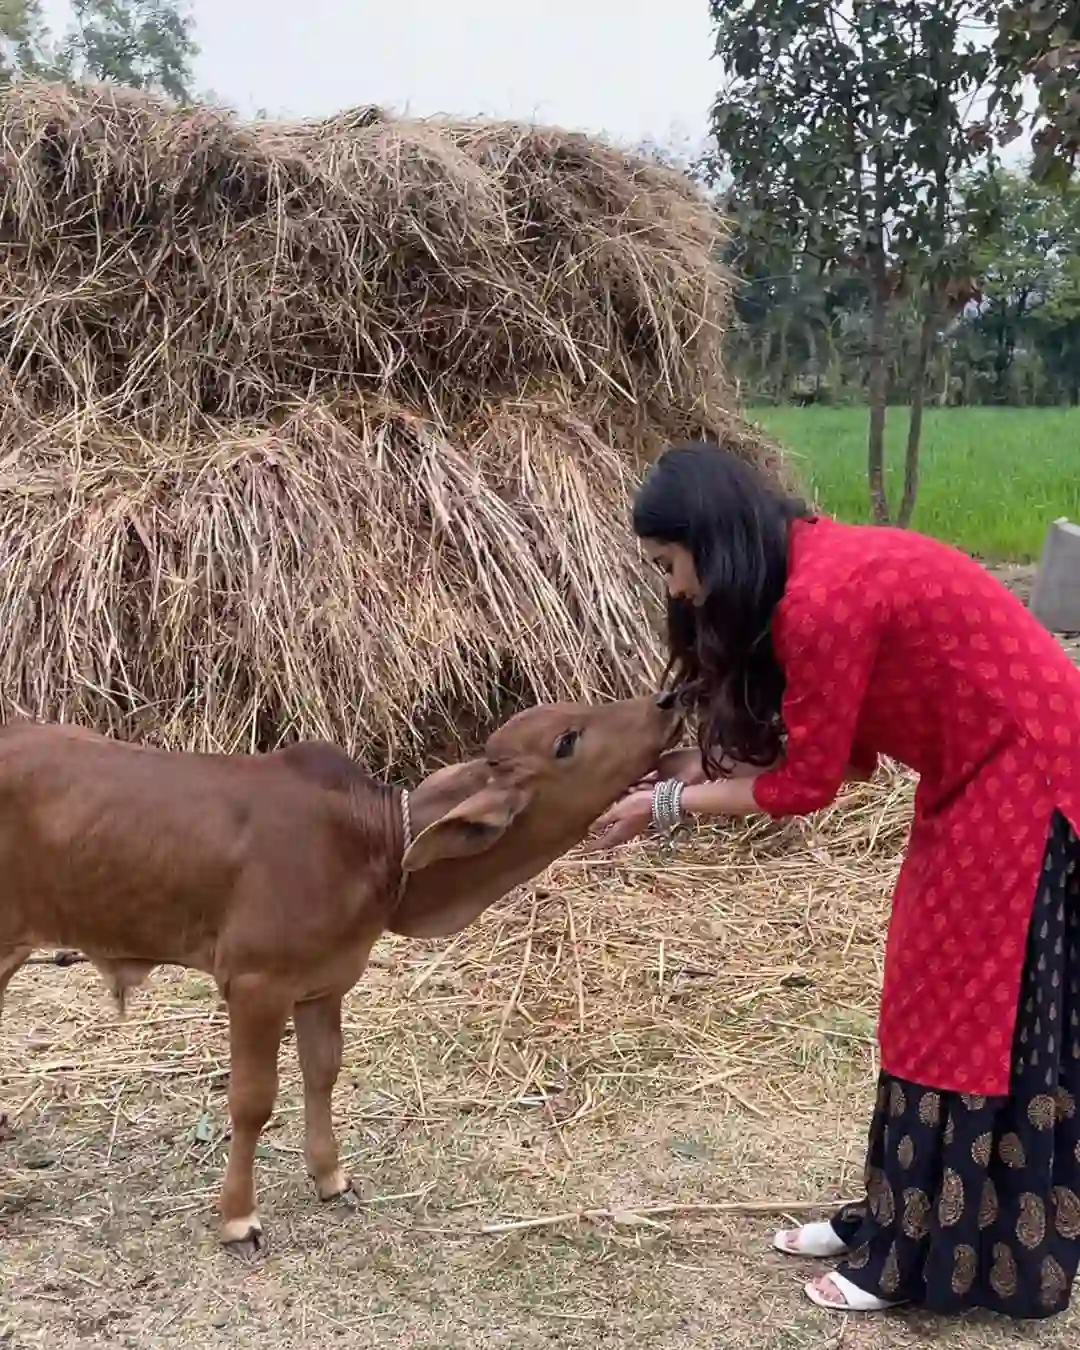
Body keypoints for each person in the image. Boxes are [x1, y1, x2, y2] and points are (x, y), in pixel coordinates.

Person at [588, 441, 1080, 1318]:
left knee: (964, 1011)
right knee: (920, 996)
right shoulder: (809, 577)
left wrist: (668, 806)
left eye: (671, 564)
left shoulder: (819, 598)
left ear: (713, 541)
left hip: (1029, 772)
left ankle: (922, 1260)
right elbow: (843, 762)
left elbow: (806, 791)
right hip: (972, 772)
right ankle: (894, 1218)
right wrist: (687, 770)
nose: (676, 591)